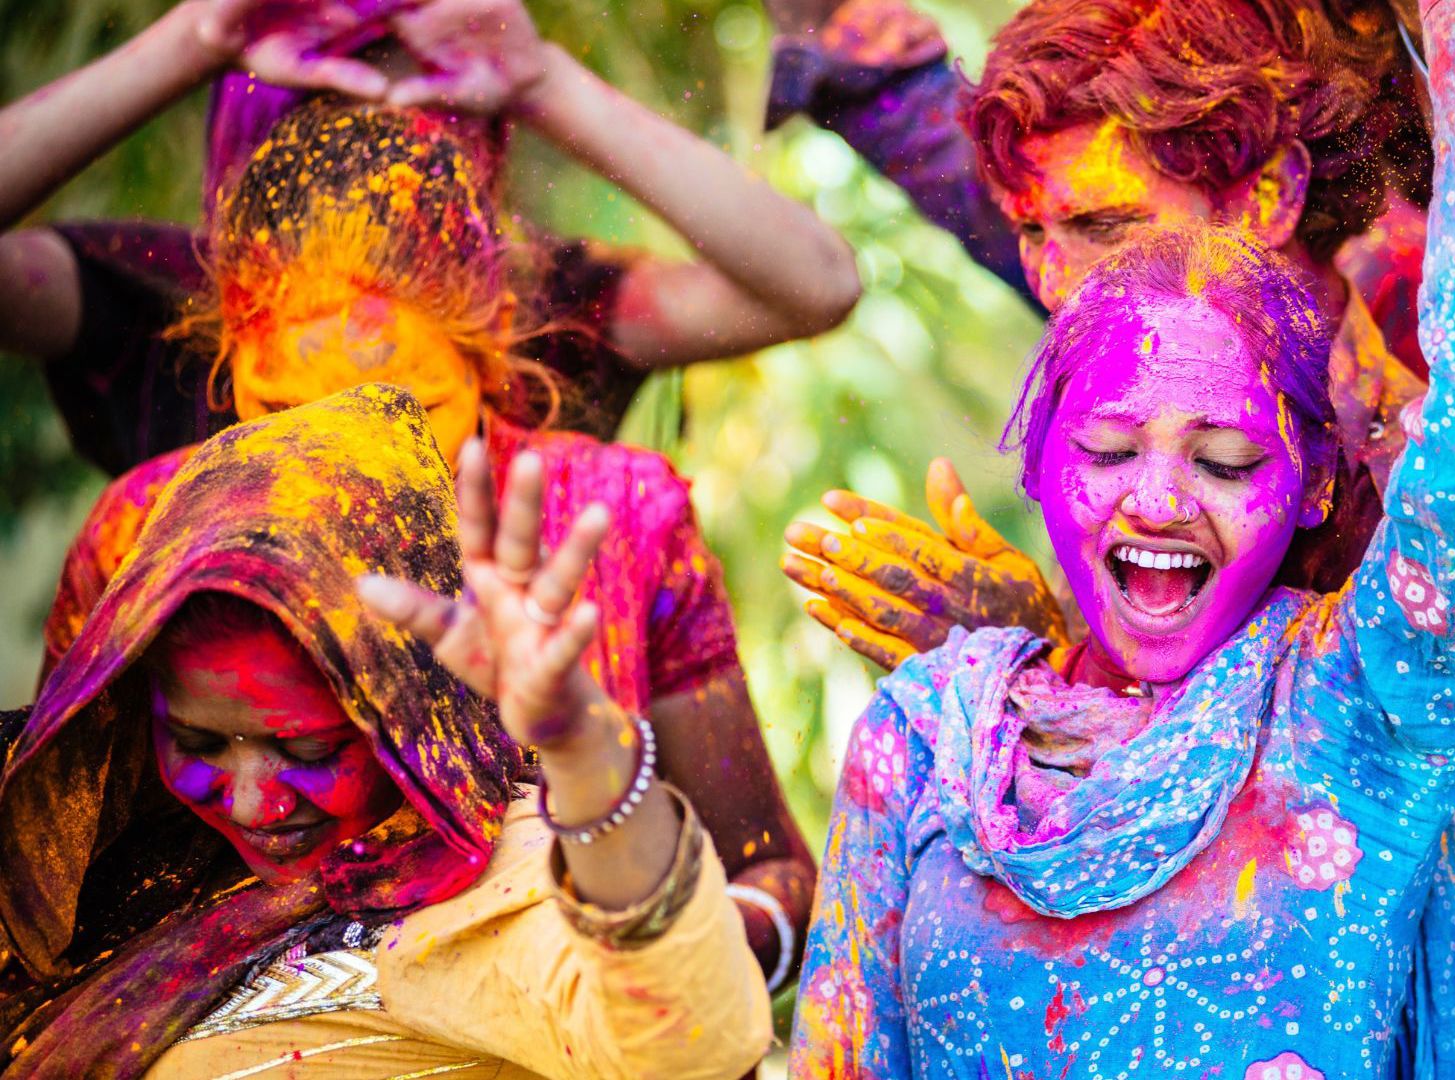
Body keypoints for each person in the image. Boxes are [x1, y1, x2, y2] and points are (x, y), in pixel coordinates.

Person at [787, 0, 1455, 1068]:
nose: (1062, 286)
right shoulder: (929, 720)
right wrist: (1039, 679)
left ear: (1267, 196)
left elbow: (1355, 895)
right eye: (1029, 234)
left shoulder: (1417, 479)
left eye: (1106, 230)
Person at [13, 4, 820, 988]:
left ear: (496, 364)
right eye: (281, 410)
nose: (343, 458)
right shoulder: (141, 530)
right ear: (223, 372)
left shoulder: (614, 514)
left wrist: (664, 953)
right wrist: (191, 40)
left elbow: (766, 874)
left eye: (403, 408)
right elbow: (59, 898)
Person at [0, 384, 771, 1077]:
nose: (248, 804)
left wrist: (590, 758)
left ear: (413, 717)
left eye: (307, 750)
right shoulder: (93, 850)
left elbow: (694, 1045)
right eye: (198, 745)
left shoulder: (490, 888)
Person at [0, 0, 863, 476]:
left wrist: (544, 81)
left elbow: (818, 283)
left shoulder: (547, 307)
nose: (367, 163)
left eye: (417, 122)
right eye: (318, 126)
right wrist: (193, 41)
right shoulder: (164, 296)